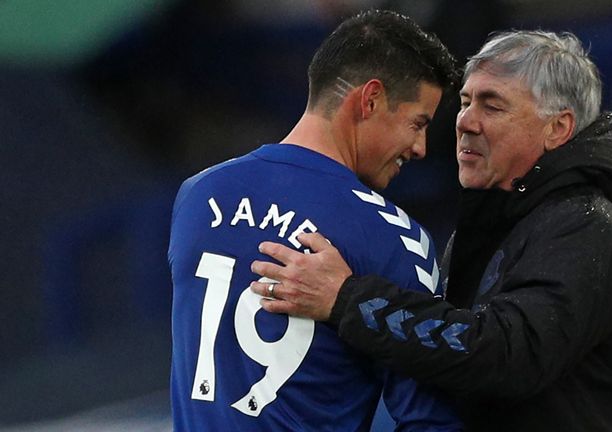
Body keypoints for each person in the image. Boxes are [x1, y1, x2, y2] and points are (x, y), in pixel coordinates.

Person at [250, 30, 612, 430]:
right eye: (465, 102)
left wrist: (345, 299)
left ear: (558, 129)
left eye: (492, 106)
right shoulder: (500, 226)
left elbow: (508, 354)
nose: (465, 122)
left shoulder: (585, 225)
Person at [167, 10, 463, 431]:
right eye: (417, 124)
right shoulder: (393, 237)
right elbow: (433, 422)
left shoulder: (198, 194)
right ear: (371, 99)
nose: (419, 147)